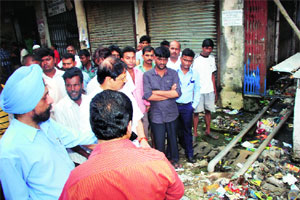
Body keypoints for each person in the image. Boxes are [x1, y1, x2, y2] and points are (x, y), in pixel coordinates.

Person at [59, 90, 184, 200]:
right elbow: (176, 193)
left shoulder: (77, 180)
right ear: (129, 127)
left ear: (93, 127)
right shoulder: (157, 161)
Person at [0, 64, 96, 200]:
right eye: (45, 97)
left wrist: (114, 136)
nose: (51, 100)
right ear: (28, 106)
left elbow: (79, 137)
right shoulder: (9, 150)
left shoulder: (46, 124)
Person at [86, 56, 149, 148]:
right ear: (109, 79)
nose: (126, 81)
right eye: (122, 78)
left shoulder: (126, 94)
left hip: (133, 147)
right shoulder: (90, 102)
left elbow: (137, 119)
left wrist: (143, 140)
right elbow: (86, 140)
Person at [143, 46, 182, 168]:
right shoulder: (147, 75)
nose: (162, 62)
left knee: (172, 140)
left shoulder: (173, 73)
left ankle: (175, 160)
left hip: (171, 113)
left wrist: (157, 92)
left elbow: (177, 93)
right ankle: (161, 164)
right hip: (156, 114)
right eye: (159, 59)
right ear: (154, 58)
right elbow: (148, 95)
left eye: (165, 60)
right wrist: (168, 93)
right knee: (159, 141)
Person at [54, 67, 93, 163]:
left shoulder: (91, 101)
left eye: (76, 85)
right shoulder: (60, 108)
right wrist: (88, 155)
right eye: (68, 85)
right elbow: (65, 139)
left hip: (96, 155)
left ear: (82, 84)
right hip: (76, 160)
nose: (72, 89)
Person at [176, 48, 200, 163]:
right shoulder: (174, 72)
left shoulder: (195, 74)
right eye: (185, 60)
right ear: (181, 59)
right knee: (174, 131)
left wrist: (193, 105)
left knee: (187, 131)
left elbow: (197, 89)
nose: (187, 63)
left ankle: (190, 154)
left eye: (189, 61)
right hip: (174, 106)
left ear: (192, 61)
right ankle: (173, 155)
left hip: (187, 107)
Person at [121, 46, 150, 139]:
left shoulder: (140, 73)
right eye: (128, 58)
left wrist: (147, 104)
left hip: (142, 110)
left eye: (133, 58)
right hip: (128, 114)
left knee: (144, 136)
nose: (131, 61)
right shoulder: (121, 76)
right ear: (122, 59)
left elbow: (144, 90)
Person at [193, 39, 218, 139]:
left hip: (209, 90)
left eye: (210, 48)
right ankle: (194, 133)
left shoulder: (212, 58)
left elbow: (212, 75)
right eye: (206, 48)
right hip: (199, 91)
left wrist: (215, 90)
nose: (208, 50)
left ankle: (208, 131)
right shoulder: (196, 60)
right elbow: (193, 76)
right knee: (196, 112)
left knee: (208, 111)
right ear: (202, 48)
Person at [35, 48, 67, 113]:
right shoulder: (39, 80)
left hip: (66, 113)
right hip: (50, 116)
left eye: (48, 59)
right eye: (42, 61)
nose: (45, 63)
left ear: (55, 60)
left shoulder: (64, 75)